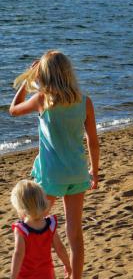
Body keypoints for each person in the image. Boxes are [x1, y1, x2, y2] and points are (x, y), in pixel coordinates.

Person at [9, 51, 100, 279]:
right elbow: (93, 142)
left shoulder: (42, 99)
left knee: (31, 224)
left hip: (51, 176)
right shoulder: (84, 101)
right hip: (77, 173)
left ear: (44, 74)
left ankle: (32, 270)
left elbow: (13, 109)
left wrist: (29, 79)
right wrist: (94, 172)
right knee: (75, 234)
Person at [11, 180, 71, 279]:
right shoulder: (50, 225)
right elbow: (59, 248)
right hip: (47, 274)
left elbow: (18, 254)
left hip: (26, 275)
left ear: (20, 208)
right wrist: (68, 265)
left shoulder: (21, 230)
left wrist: (13, 276)